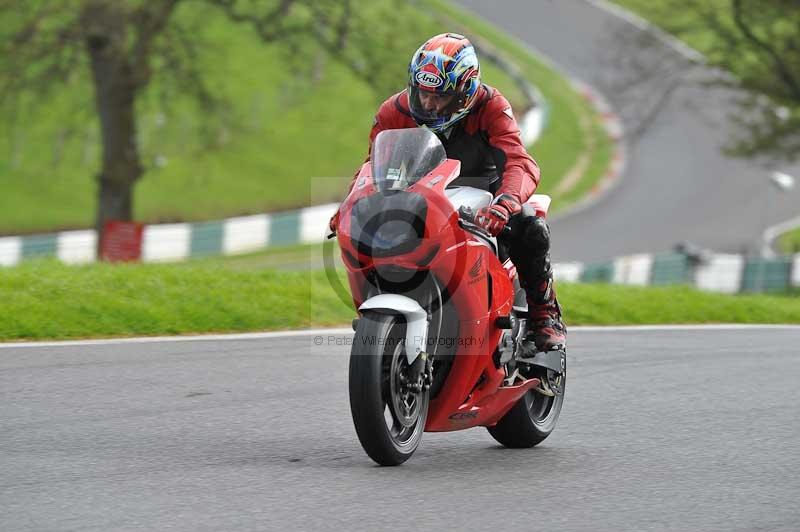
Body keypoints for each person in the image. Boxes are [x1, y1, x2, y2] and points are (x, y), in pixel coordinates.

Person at [330, 32, 565, 353]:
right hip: (421, 191)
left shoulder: (492, 107)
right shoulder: (394, 111)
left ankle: (543, 314)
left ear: (464, 93)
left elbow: (519, 162)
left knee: (530, 224)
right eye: (422, 93)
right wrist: (349, 205)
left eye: (438, 96)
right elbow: (372, 165)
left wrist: (506, 202)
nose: (427, 103)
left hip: (485, 193)